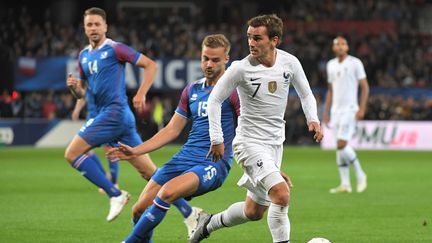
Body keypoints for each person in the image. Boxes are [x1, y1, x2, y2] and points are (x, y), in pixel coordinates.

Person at [189, 14, 323, 243]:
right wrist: (216, 138)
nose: (251, 43)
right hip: (248, 143)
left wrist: (313, 118)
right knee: (281, 194)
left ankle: (208, 223)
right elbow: (214, 100)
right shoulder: (240, 69)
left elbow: (305, 93)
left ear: (274, 40)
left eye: (257, 38)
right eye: (249, 37)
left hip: (274, 145)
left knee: (254, 211)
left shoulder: (289, 63)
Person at [108, 34, 240, 242]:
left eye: (215, 60)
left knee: (167, 192)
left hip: (213, 163)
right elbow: (171, 130)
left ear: (226, 59)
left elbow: (249, 128)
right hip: (185, 157)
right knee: (138, 210)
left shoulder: (234, 91)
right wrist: (136, 150)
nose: (209, 64)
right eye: (205, 58)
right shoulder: (192, 89)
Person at [64, 7, 159, 222]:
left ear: (105, 26)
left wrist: (141, 93)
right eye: (89, 24)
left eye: (98, 24)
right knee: (149, 172)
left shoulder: (115, 49)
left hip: (113, 113)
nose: (94, 28)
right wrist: (73, 88)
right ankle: (190, 213)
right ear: (84, 28)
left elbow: (150, 65)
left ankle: (115, 193)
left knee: (72, 153)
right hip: (119, 118)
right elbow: (81, 91)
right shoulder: (83, 56)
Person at [323, 36, 369, 194]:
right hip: (336, 110)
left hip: (350, 109)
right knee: (339, 148)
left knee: (342, 144)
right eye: (337, 44)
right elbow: (330, 90)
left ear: (347, 47)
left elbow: (365, 87)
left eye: (343, 44)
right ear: (333, 48)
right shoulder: (330, 65)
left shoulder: (355, 63)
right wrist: (326, 112)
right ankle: (345, 184)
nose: (340, 46)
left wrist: (361, 108)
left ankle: (360, 174)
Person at [71, 94, 120, 193]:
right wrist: (77, 109)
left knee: (109, 150)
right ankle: (105, 179)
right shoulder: (87, 81)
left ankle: (114, 182)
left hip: (104, 119)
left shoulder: (104, 82)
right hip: (91, 120)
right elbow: (82, 95)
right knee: (84, 151)